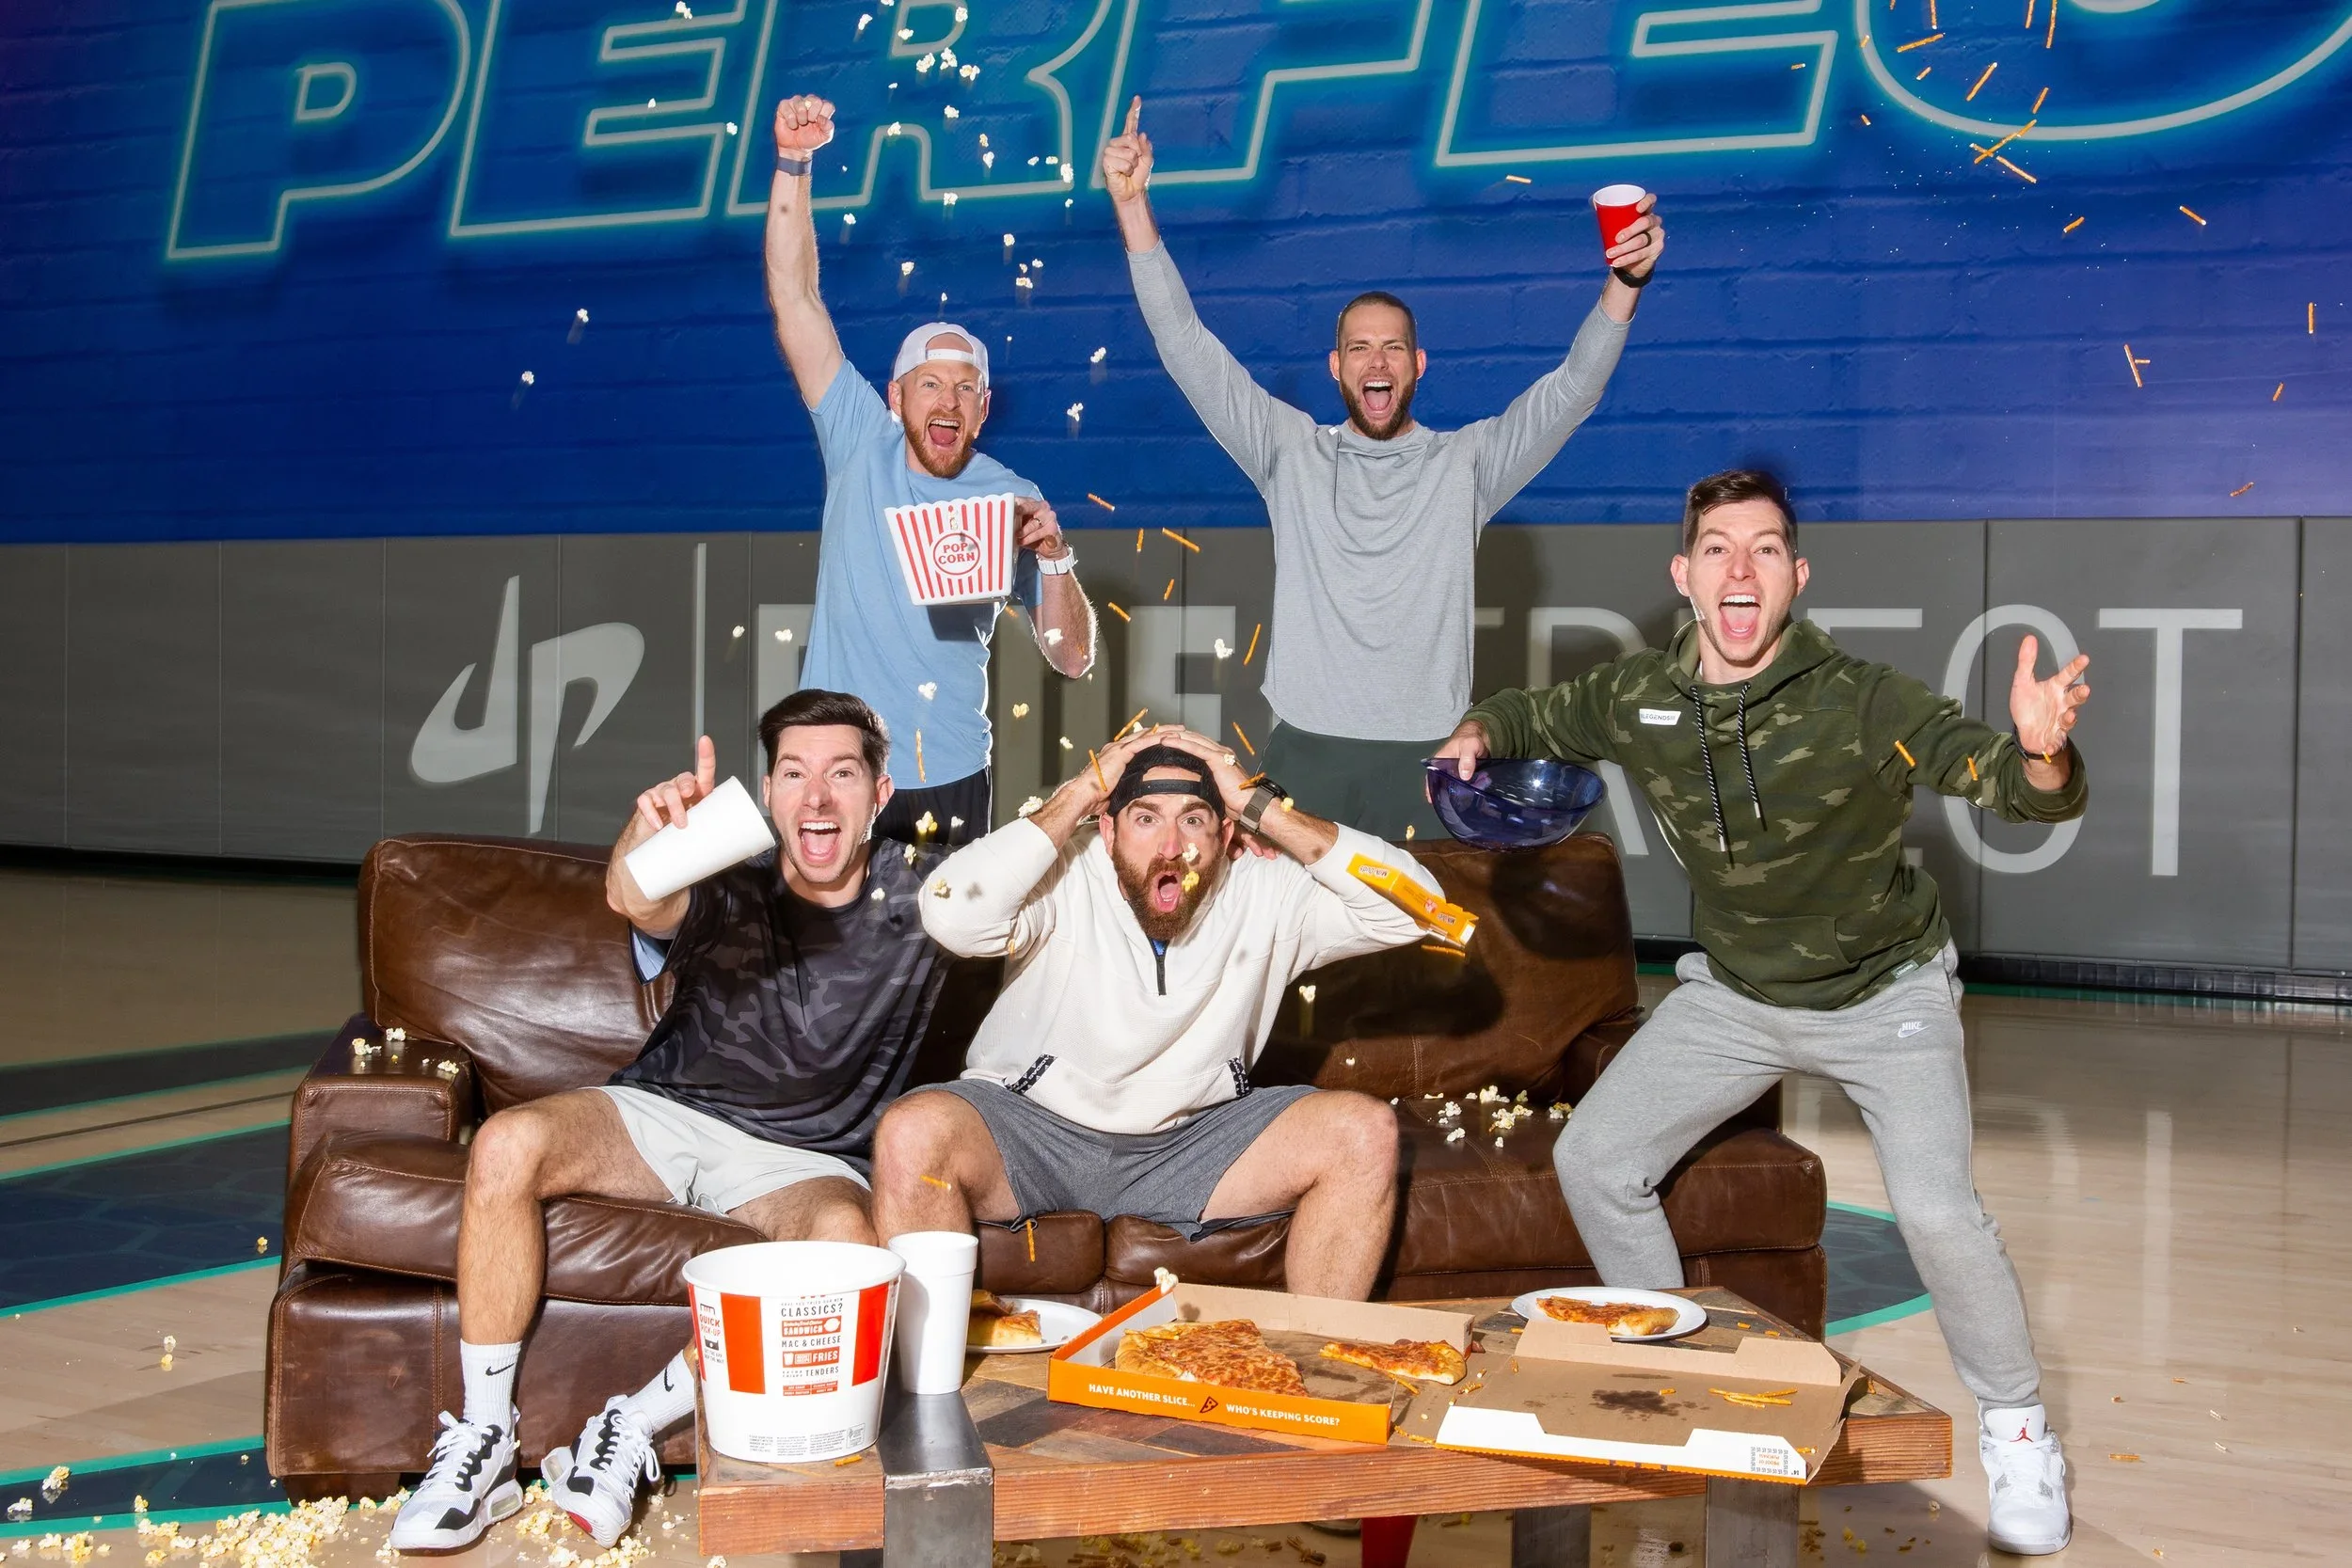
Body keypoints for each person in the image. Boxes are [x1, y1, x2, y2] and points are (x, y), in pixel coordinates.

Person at [1436, 469, 2091, 1556]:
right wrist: (1475, 731)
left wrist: (2037, 747)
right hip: (1735, 994)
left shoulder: (1862, 698)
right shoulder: (1640, 692)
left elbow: (2004, 784)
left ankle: (2018, 1426)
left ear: (1795, 576)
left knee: (1934, 1210)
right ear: (1683, 575)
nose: (1741, 568)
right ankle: (1678, 1375)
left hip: (1885, 993)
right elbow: (1532, 712)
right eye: (1719, 549)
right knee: (1597, 1156)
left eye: (1766, 549)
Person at [389, 690, 954, 1553]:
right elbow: (634, 894)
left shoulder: (932, 901)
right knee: (506, 1144)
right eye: (795, 774)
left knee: (855, 1251)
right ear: (767, 793)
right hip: (665, 1113)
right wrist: (651, 833)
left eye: (842, 774)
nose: (817, 798)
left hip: (801, 1160)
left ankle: (631, 1426)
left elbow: (1047, 890)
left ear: (880, 795)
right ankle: (484, 1442)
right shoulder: (728, 880)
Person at [1099, 98, 1661, 839]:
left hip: (1428, 760)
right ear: (1337, 368)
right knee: (1298, 956)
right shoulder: (1288, 450)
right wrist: (1135, 208)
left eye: (1393, 347)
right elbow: (1188, 347)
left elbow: (1572, 390)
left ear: (1418, 365)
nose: (1376, 360)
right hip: (1305, 752)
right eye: (1360, 347)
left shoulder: (1468, 463)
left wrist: (1626, 283)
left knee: (1418, 954)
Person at [869, 725, 1442, 1298]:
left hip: (1191, 1142)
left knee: (1362, 1132)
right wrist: (1080, 792)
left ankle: (1319, 1361)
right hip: (1033, 1133)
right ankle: (925, 1371)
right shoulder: (1063, 872)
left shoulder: (1267, 888)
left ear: (1225, 833)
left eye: (1193, 819)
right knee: (912, 1131)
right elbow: (948, 912)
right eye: (1145, 818)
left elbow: (1420, 910)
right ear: (1109, 831)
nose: (1172, 846)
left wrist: (1258, 805)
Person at [766, 92, 1096, 847]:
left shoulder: (1014, 497)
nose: (946, 400)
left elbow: (1071, 658)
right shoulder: (858, 438)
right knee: (823, 957)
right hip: (836, 767)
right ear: (896, 398)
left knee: (940, 963)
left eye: (964, 389)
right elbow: (795, 298)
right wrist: (793, 163)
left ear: (982, 409)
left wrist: (1055, 559)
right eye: (929, 384)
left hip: (947, 772)